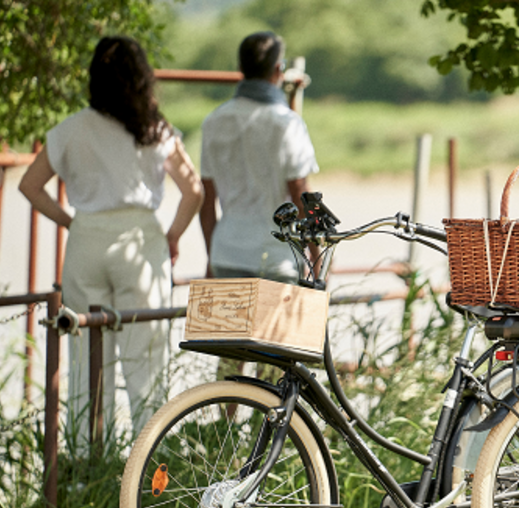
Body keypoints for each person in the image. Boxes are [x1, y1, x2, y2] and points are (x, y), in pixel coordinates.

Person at [19, 36, 204, 442]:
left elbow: (29, 186)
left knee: (85, 361)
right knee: (146, 360)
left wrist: (71, 222)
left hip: (87, 241)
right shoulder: (155, 130)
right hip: (141, 241)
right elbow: (194, 192)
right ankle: (148, 474)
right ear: (142, 79)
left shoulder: (70, 129)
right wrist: (171, 237)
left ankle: (85, 472)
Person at [199, 31, 319, 381]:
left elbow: (207, 200)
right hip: (276, 254)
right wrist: (314, 252)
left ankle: (224, 429)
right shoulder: (287, 123)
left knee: (228, 360)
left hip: (227, 250)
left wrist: (212, 253)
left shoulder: (214, 120)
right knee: (274, 361)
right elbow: (301, 193)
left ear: (240, 68)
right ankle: (266, 433)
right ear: (278, 69)